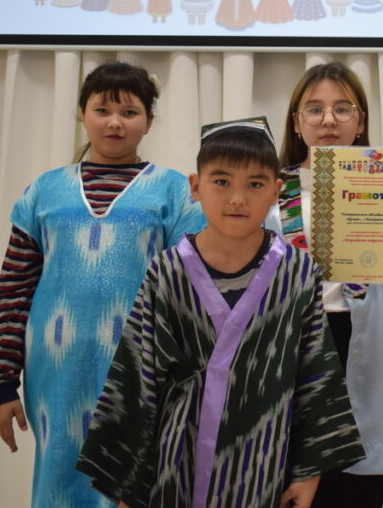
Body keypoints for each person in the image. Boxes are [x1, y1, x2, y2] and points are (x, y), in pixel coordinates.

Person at [77, 117, 365, 507]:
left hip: (264, 462)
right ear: (196, 187)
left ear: (277, 191)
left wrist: (307, 473)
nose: (237, 198)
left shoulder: (298, 273)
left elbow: (316, 377)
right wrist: (128, 487)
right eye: (222, 181)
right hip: (176, 460)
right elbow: (135, 379)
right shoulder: (168, 271)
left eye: (255, 184)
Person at [0, 60, 205, 507]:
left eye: (129, 112)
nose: (115, 122)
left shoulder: (176, 192)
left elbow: (192, 290)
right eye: (102, 109)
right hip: (56, 370)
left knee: (135, 484)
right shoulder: (43, 192)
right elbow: (14, 290)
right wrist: (2, 382)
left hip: (144, 369)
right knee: (60, 479)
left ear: (149, 121)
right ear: (82, 114)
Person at [275, 62, 383, 507]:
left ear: (360, 121)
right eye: (315, 109)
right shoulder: (271, 190)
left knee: (353, 489)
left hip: (355, 353)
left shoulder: (382, 190)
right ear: (297, 122)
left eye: (342, 109)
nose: (328, 120)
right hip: (287, 358)